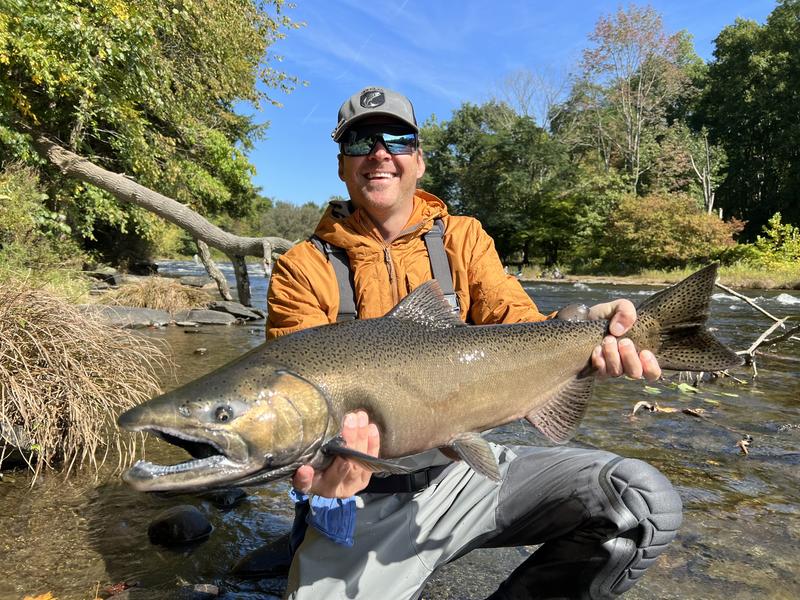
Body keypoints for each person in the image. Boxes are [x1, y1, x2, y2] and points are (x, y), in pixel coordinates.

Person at [265, 86, 683, 600]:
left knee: (640, 501)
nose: (379, 153)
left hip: (466, 472)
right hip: (360, 496)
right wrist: (325, 491)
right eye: (360, 142)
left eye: (396, 139)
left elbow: (524, 328)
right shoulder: (300, 268)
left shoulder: (463, 238)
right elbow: (290, 401)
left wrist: (589, 327)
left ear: (417, 161)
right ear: (341, 165)